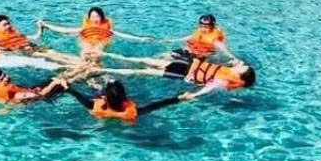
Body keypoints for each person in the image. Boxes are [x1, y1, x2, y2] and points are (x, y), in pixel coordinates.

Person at [96, 54, 256, 101]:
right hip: (186, 65)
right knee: (145, 63)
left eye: (242, 68)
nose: (240, 65)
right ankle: (105, 59)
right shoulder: (232, 72)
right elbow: (239, 64)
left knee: (144, 69)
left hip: (184, 72)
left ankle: (105, 66)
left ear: (240, 75)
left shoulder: (225, 80)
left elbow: (209, 87)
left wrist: (193, 95)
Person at [39, 7, 151, 60]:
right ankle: (82, 66)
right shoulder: (83, 28)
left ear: (101, 17)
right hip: (87, 40)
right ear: (89, 18)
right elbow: (65, 30)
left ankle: (95, 68)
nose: (95, 19)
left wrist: (141, 39)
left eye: (97, 16)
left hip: (100, 41)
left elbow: (122, 35)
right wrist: (47, 26)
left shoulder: (107, 28)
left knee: (97, 52)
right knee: (85, 53)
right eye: (92, 17)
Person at [0, 15, 83, 65]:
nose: (8, 26)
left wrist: (40, 28)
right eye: (5, 24)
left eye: (8, 23)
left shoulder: (14, 33)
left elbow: (35, 37)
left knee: (55, 53)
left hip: (33, 47)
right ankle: (78, 65)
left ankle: (82, 62)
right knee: (52, 56)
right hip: (26, 52)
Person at [62, 80, 181, 125]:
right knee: (97, 88)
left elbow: (78, 95)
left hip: (101, 104)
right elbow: (157, 105)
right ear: (124, 98)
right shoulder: (134, 112)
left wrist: (67, 88)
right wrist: (178, 98)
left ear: (105, 98)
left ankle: (96, 83)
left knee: (94, 89)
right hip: (114, 104)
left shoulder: (92, 105)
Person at [0, 66, 67, 105]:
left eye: (4, 75)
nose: (6, 78)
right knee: (63, 81)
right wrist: (54, 83)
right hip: (34, 98)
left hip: (26, 92)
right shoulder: (13, 94)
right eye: (2, 78)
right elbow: (41, 94)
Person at [163, 14, 235, 60]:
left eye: (206, 27)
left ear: (212, 26)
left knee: (181, 59)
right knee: (166, 55)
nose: (203, 29)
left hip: (202, 54)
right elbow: (191, 37)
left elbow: (222, 48)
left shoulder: (214, 39)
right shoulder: (199, 31)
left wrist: (232, 57)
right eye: (201, 26)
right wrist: (173, 40)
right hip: (190, 50)